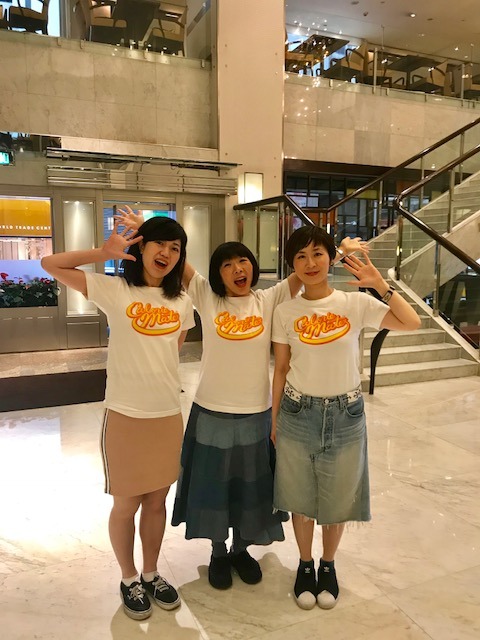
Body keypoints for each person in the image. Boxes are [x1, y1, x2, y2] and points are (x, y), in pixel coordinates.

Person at [115, 206, 368, 590]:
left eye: (243, 261)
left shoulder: (269, 299)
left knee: (251, 488)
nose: (237, 269)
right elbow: (181, 265)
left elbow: (306, 270)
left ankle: (240, 549)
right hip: (211, 412)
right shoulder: (206, 296)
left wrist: (340, 251)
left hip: (256, 414)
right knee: (215, 486)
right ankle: (218, 551)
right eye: (227, 265)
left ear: (253, 267)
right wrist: (145, 229)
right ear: (218, 274)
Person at [41, 217, 195, 621]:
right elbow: (50, 264)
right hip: (125, 415)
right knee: (126, 504)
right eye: (158, 244)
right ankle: (129, 578)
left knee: (157, 503)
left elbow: (173, 350)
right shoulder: (115, 289)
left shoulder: (182, 301)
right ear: (140, 249)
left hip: (166, 415)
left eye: (175, 248)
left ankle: (151, 573)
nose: (166, 253)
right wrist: (102, 253)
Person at [271, 225, 421, 610]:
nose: (310, 263)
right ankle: (305, 564)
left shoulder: (354, 303)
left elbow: (411, 322)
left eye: (317, 254)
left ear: (330, 258)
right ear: (291, 265)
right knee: (300, 497)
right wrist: (274, 420)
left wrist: (380, 285)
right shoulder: (285, 311)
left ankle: (328, 565)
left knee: (337, 497)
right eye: (300, 257)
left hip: (346, 413)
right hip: (297, 411)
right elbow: (281, 369)